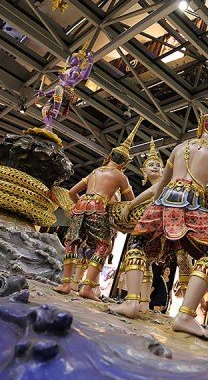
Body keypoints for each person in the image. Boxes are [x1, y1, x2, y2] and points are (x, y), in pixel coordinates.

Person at [111, 79, 208, 341]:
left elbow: (161, 183)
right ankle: (185, 314)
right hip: (192, 201)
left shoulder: (181, 147)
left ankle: (133, 301)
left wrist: (149, 206)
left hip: (164, 199)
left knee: (137, 241)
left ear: (202, 126)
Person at [53, 120, 140, 299]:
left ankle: (66, 284)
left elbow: (72, 192)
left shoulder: (95, 171)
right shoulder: (120, 176)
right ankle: (86, 287)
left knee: (72, 243)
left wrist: (78, 205)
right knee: (104, 246)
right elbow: (131, 201)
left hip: (81, 205)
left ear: (110, 156)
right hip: (98, 207)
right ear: (124, 163)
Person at [120, 138, 195, 313]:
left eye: (158, 165)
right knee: (146, 261)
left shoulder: (165, 183)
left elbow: (151, 192)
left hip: (175, 223)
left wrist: (130, 206)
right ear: (143, 171)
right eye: (151, 165)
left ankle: (187, 310)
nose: (155, 167)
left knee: (183, 259)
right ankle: (143, 302)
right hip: (160, 228)